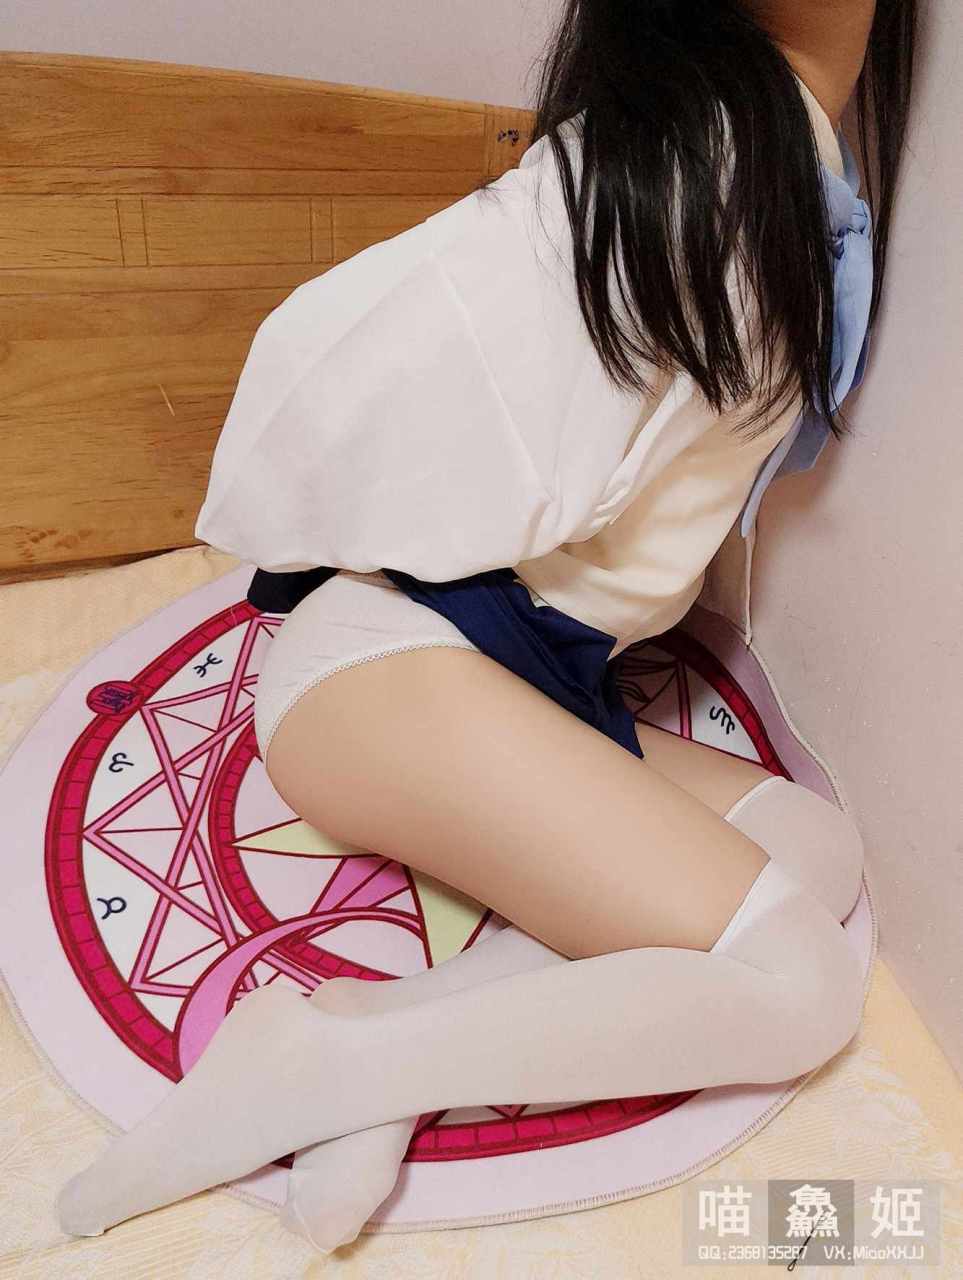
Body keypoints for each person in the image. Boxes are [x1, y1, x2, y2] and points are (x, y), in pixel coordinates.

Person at [56, 0, 918, 1251]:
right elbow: (366, 342)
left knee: (814, 846)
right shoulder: (710, 143)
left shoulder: (781, 143)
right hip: (390, 671)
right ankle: (311, 1062)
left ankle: (378, 1039)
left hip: (516, 678)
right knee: (805, 986)